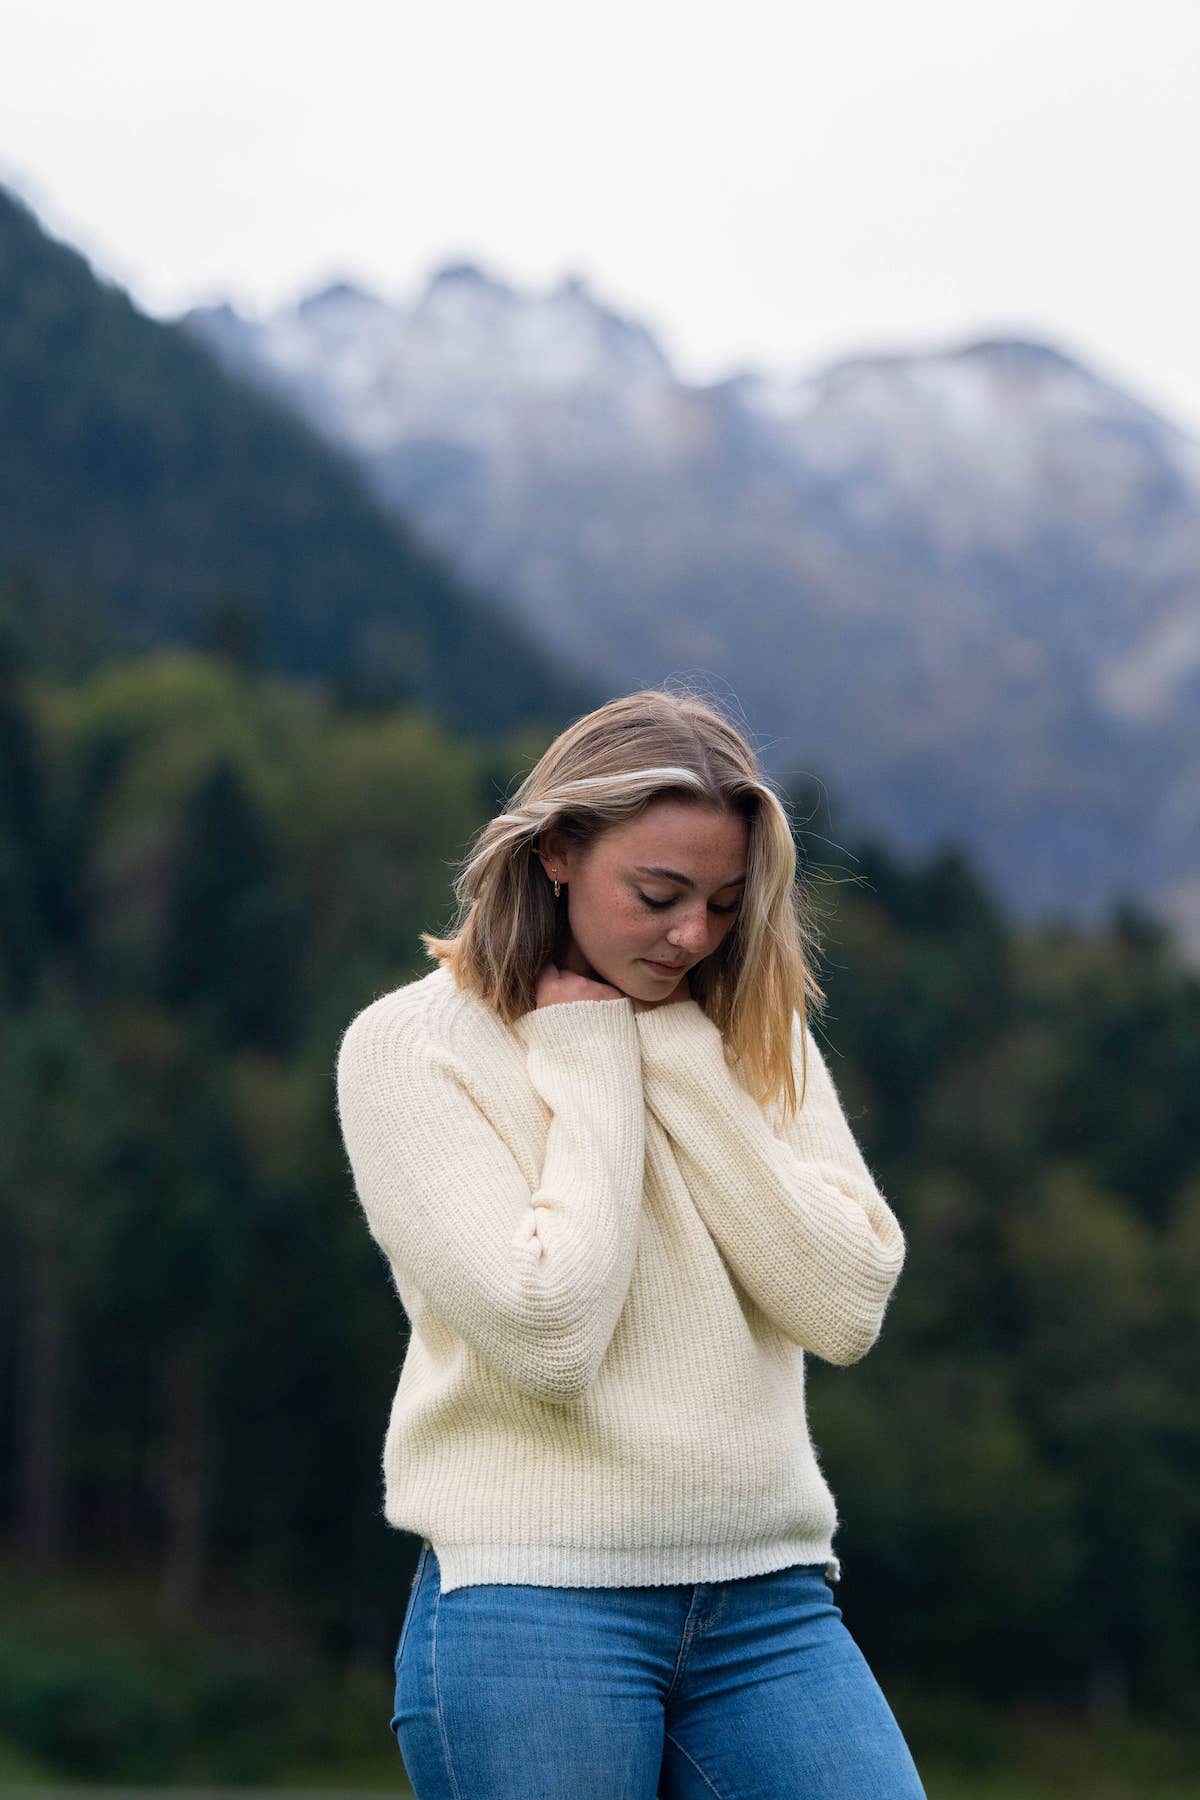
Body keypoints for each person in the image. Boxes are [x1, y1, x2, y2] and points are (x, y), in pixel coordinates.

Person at [335, 686, 927, 1798]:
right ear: (558, 850)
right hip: (533, 1611)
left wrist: (680, 1051)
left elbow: (844, 1302)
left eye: (724, 902)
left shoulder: (749, 1024)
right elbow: (549, 1332)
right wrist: (592, 1062)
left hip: (772, 1605)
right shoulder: (410, 1051)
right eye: (658, 894)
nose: (694, 935)